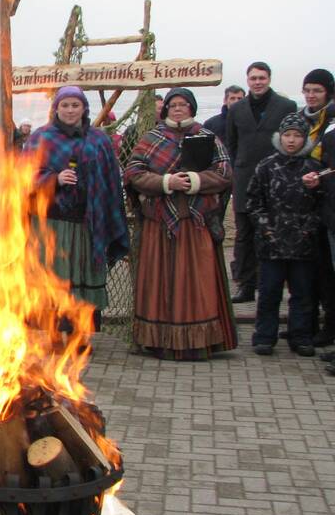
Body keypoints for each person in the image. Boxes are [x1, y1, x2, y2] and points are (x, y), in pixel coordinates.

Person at [124, 88, 237, 360]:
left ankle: (196, 344)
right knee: (158, 281)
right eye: (173, 104)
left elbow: (224, 172)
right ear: (166, 110)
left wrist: (194, 181)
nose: (178, 108)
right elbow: (133, 173)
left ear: (192, 108)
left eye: (184, 104)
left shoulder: (207, 137)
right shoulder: (151, 139)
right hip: (159, 222)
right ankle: (157, 341)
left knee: (195, 281)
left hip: (195, 222)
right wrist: (166, 182)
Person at [24, 86, 129, 329]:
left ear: (84, 108)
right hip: (52, 224)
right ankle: (52, 333)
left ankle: (81, 336)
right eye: (65, 105)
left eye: (75, 105)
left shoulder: (98, 139)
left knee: (84, 276)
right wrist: (54, 180)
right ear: (56, 108)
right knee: (54, 277)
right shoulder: (40, 138)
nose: (70, 110)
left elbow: (112, 180)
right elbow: (22, 177)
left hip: (88, 223)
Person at [247, 114, 322, 357]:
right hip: (272, 243)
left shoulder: (314, 170)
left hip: (303, 243)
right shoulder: (266, 166)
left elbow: (322, 206)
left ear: (305, 139)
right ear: (280, 137)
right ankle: (264, 336)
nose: (291, 140)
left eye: (297, 135)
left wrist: (308, 228)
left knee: (302, 293)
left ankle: (300, 336)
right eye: (287, 135)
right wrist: (266, 228)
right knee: (269, 292)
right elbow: (253, 202)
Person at [226, 62, 298, 303]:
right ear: (247, 80)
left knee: (273, 233)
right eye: (253, 78)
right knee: (244, 235)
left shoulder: (286, 106)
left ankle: (274, 286)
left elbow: (293, 140)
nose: (258, 82)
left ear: (269, 79)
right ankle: (246, 286)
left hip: (276, 180)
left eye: (262, 78)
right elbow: (231, 145)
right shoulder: (237, 109)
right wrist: (237, 170)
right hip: (244, 179)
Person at [298, 69, 335, 346]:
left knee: (327, 271)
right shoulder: (301, 119)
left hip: (326, 201)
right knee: (309, 268)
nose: (311, 95)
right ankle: (307, 324)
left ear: (328, 93)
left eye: (317, 91)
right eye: (308, 90)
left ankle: (329, 325)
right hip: (304, 202)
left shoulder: (330, 122)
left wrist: (319, 179)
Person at [203, 85, 245, 149]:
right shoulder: (210, 124)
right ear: (225, 101)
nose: (236, 101)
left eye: (239, 98)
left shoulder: (252, 122)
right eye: (232, 98)